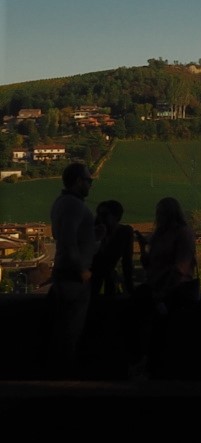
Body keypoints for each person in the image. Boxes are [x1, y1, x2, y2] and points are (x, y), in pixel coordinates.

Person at [130, 196, 199, 378]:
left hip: (174, 292)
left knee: (165, 335)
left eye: (161, 213)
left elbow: (180, 268)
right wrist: (142, 246)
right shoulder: (160, 235)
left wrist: (162, 293)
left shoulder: (183, 233)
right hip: (158, 291)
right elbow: (149, 265)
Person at [45, 161, 98, 376]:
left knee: (64, 329)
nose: (90, 185)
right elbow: (67, 242)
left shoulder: (60, 203)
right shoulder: (74, 205)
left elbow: (63, 237)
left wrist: (96, 238)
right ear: (78, 181)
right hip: (73, 278)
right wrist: (82, 271)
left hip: (63, 274)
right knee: (71, 331)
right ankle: (66, 380)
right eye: (88, 180)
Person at [89, 200, 135, 297]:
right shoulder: (94, 232)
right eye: (99, 214)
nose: (100, 218)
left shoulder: (125, 232)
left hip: (108, 282)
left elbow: (127, 263)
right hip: (90, 282)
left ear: (116, 217)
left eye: (104, 214)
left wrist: (130, 287)